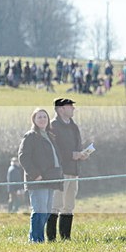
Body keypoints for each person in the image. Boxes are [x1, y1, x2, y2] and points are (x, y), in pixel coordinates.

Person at [18, 108, 63, 242]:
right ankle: (36, 240)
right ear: (34, 120)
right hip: (38, 180)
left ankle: (35, 238)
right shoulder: (31, 136)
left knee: (47, 211)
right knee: (39, 210)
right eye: (39, 117)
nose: (43, 119)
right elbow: (23, 157)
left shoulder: (50, 135)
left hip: (51, 178)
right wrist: (35, 174)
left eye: (45, 117)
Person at [47, 98, 89, 240]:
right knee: (55, 205)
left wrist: (81, 154)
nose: (73, 108)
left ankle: (66, 238)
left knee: (69, 205)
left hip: (74, 170)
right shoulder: (53, 126)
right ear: (60, 109)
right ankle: (51, 238)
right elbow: (53, 149)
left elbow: (77, 145)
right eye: (70, 106)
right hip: (60, 172)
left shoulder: (73, 126)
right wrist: (71, 155)